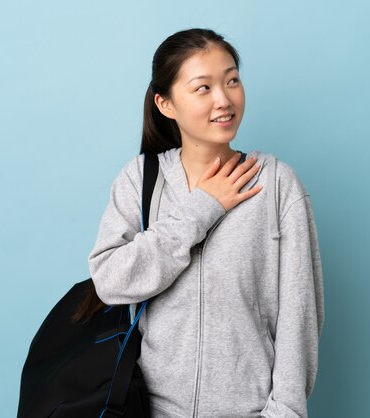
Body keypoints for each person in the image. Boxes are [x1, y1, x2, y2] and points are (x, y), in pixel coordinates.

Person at [88, 28, 324, 418]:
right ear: (166, 104)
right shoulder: (140, 180)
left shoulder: (277, 183)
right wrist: (202, 209)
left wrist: (284, 413)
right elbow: (110, 280)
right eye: (203, 87)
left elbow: (300, 316)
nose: (224, 99)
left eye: (232, 80)